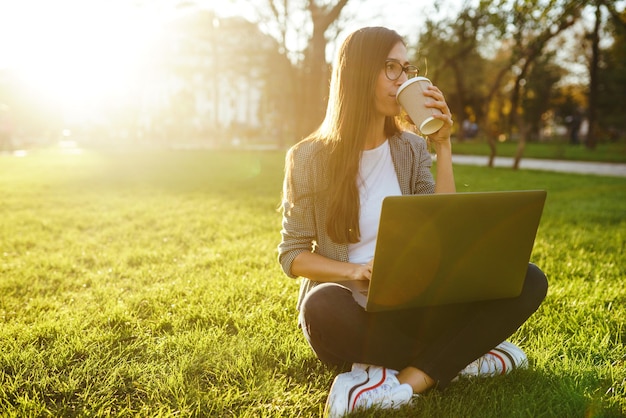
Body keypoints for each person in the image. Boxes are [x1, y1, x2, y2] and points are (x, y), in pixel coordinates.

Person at [277, 26, 547, 417]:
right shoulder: (307, 158)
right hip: (351, 311)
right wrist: (355, 272)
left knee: (530, 278)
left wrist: (444, 145)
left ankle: (405, 380)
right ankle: (465, 356)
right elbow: (292, 255)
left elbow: (443, 225)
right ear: (357, 73)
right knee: (320, 306)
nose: (403, 79)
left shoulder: (411, 146)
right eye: (390, 67)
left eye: (406, 67)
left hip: (415, 306)